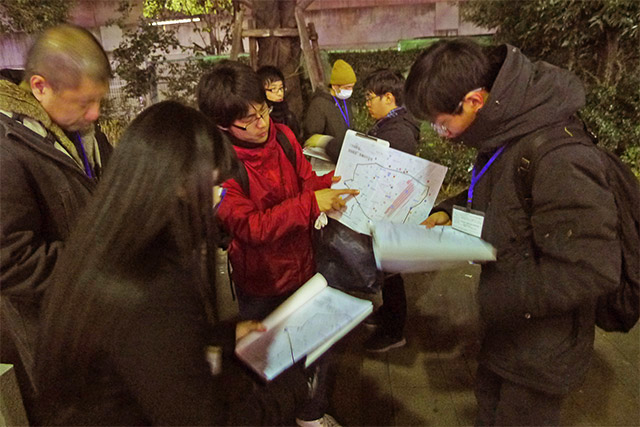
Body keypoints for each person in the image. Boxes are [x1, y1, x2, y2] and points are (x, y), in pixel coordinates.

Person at [34, 100, 307, 426]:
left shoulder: (99, 246)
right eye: (214, 186)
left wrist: (219, 336)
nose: (217, 199)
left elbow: (140, 351)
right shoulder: (154, 283)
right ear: (179, 185)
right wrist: (290, 389)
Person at [405, 39, 620, 426]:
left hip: (541, 350)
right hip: (506, 335)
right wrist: (447, 212)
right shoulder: (504, 131)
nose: (439, 133)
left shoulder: (559, 155)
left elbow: (592, 267)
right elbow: (499, 193)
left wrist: (501, 297)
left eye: (440, 122)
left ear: (473, 100)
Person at [197, 60, 358, 427]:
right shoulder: (220, 167)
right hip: (262, 284)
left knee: (312, 346)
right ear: (223, 125)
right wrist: (309, 204)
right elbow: (251, 228)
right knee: (270, 361)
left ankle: (309, 413)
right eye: (248, 120)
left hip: (304, 265)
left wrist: (343, 176)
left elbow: (306, 182)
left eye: (263, 110)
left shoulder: (284, 136)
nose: (261, 123)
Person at [0, 24, 112, 418]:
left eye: (99, 100)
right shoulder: (7, 149)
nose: (95, 113)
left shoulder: (85, 130)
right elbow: (9, 261)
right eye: (84, 103)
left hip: (102, 322)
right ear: (40, 86)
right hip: (55, 343)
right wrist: (100, 261)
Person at [358, 69, 420, 353]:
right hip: (387, 209)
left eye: (371, 98)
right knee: (387, 269)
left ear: (389, 97)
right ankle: (388, 314)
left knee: (392, 271)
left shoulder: (399, 132)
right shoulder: (390, 125)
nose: (367, 104)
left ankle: (395, 331)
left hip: (392, 212)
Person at [303, 59, 356, 162]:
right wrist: (325, 142)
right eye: (347, 87)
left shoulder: (345, 101)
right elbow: (311, 137)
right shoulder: (319, 104)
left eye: (352, 87)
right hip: (327, 161)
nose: (350, 91)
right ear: (335, 86)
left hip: (345, 155)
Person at [257, 65, 303, 143]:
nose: (280, 93)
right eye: (273, 89)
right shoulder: (259, 118)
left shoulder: (289, 116)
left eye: (281, 88)